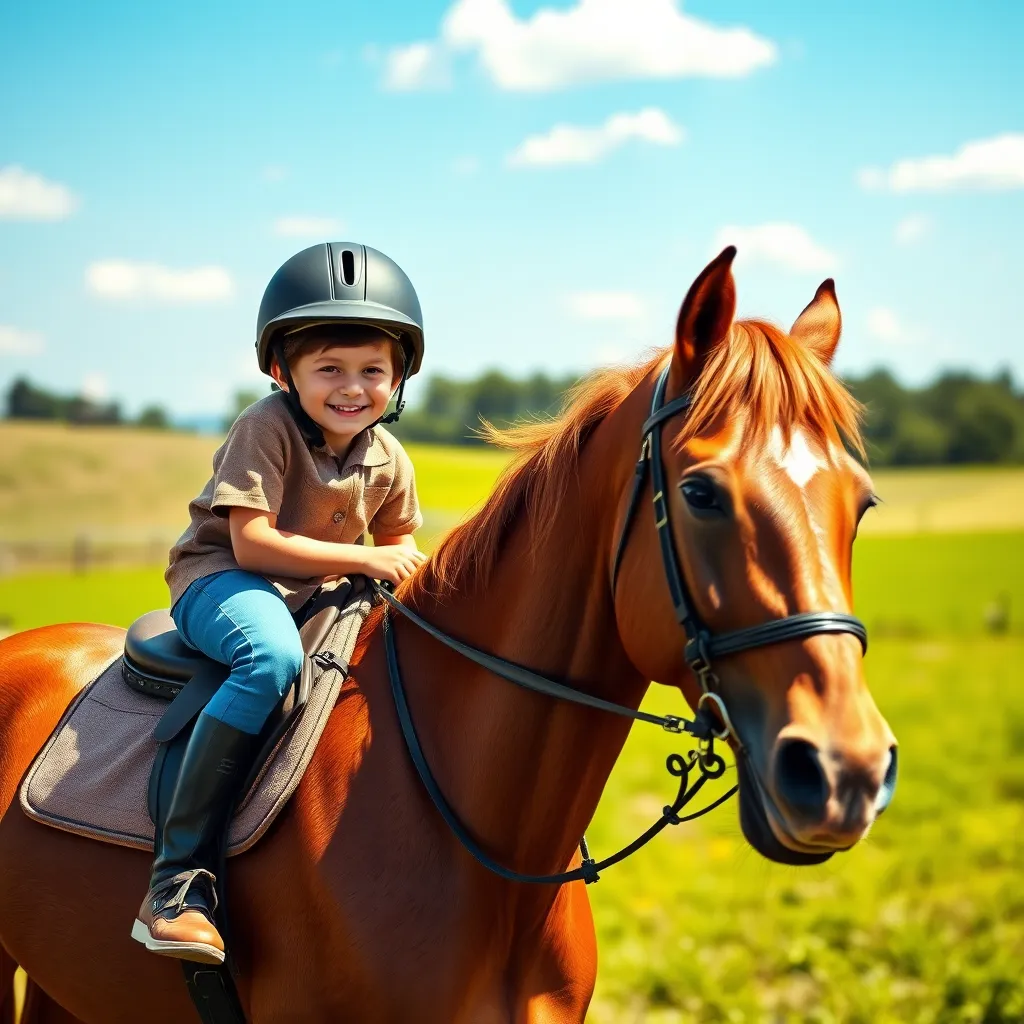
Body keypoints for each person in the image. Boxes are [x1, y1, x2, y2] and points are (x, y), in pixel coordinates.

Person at [131, 242, 428, 964]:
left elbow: (401, 551)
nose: (352, 388)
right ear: (281, 371)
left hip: (318, 589)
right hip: (224, 579)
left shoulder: (390, 459)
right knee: (269, 659)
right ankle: (175, 884)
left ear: (398, 379)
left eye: (372, 372)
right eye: (329, 369)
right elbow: (254, 544)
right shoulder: (264, 428)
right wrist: (365, 557)